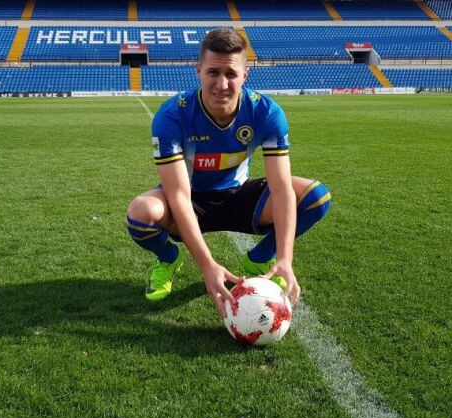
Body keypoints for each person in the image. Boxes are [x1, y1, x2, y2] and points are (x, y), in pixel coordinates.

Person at [126, 28, 331, 317]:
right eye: (213, 72)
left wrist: (285, 258)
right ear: (198, 71)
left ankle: (260, 259)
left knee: (316, 197)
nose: (222, 84)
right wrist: (208, 266)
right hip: (192, 202)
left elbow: (282, 188)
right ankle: (169, 259)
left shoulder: (265, 112)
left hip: (239, 197)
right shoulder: (172, 116)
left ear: (245, 75)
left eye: (231, 74)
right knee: (141, 212)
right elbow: (179, 196)